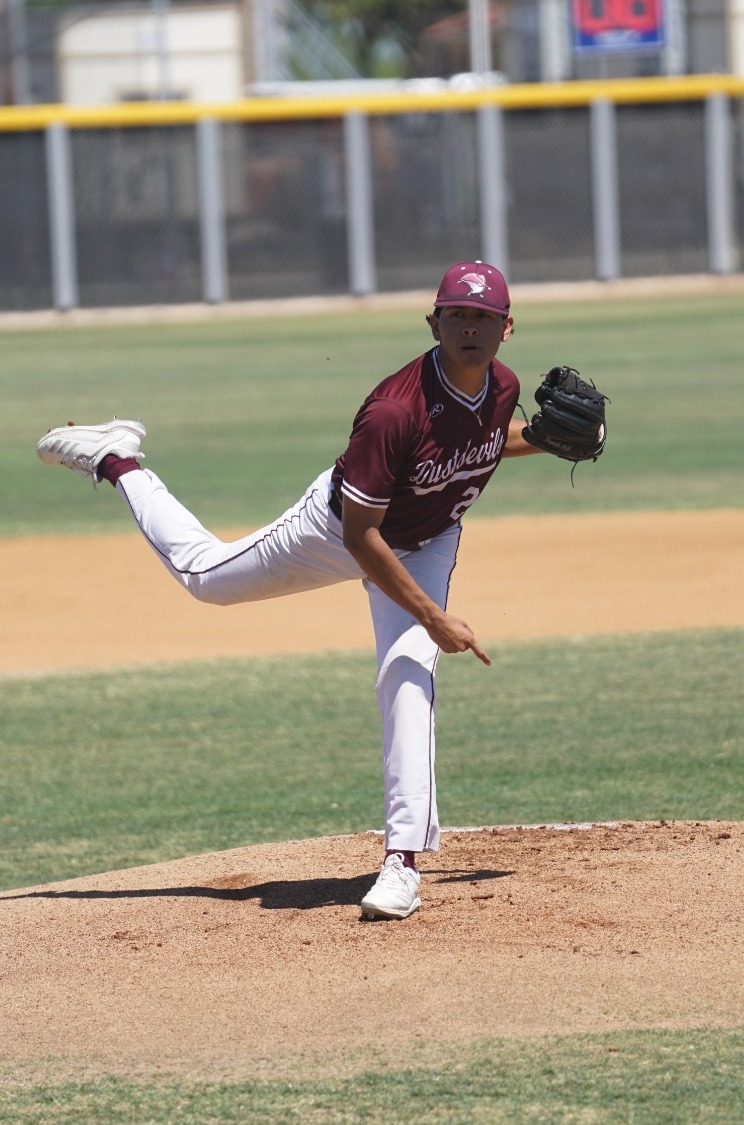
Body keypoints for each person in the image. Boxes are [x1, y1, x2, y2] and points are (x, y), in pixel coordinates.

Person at [36, 261, 559, 921]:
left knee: (407, 674)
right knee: (206, 578)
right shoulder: (392, 410)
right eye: (458, 314)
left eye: (483, 318)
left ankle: (402, 863)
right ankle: (117, 460)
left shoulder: (503, 388)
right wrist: (432, 615)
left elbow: (481, 442)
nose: (470, 328)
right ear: (434, 322)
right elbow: (363, 537)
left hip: (428, 539)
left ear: (507, 329)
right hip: (338, 527)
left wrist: (545, 440)